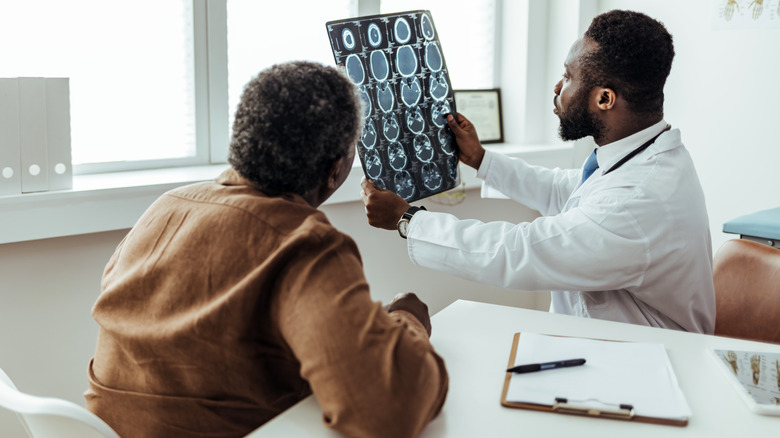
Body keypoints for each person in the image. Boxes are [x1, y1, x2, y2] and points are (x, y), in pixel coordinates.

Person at [85, 61, 448, 438]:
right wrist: (409, 321)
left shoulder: (164, 209)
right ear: (335, 169)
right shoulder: (303, 241)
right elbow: (389, 409)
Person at [361, 10, 715, 334]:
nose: (558, 88)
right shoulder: (645, 156)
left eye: (568, 76)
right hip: (607, 346)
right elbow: (568, 190)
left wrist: (408, 220)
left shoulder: (640, 199)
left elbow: (519, 252)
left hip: (647, 368)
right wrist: (482, 160)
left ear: (604, 99)